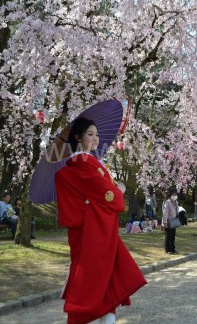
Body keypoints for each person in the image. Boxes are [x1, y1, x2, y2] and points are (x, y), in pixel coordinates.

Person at [54, 117, 147, 324]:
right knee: (95, 281)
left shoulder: (87, 164)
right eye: (90, 134)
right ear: (78, 137)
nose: (95, 139)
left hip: (95, 232)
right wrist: (119, 190)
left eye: (96, 134)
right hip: (93, 235)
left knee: (105, 282)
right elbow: (110, 197)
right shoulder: (83, 165)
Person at [162, 189, 179, 254]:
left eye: (175, 195)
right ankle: (167, 249)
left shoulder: (176, 202)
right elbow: (165, 213)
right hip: (168, 221)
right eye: (173, 194)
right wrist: (165, 222)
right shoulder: (168, 202)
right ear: (170, 195)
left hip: (174, 221)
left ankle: (172, 249)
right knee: (168, 235)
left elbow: (177, 211)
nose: (174, 196)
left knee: (173, 235)